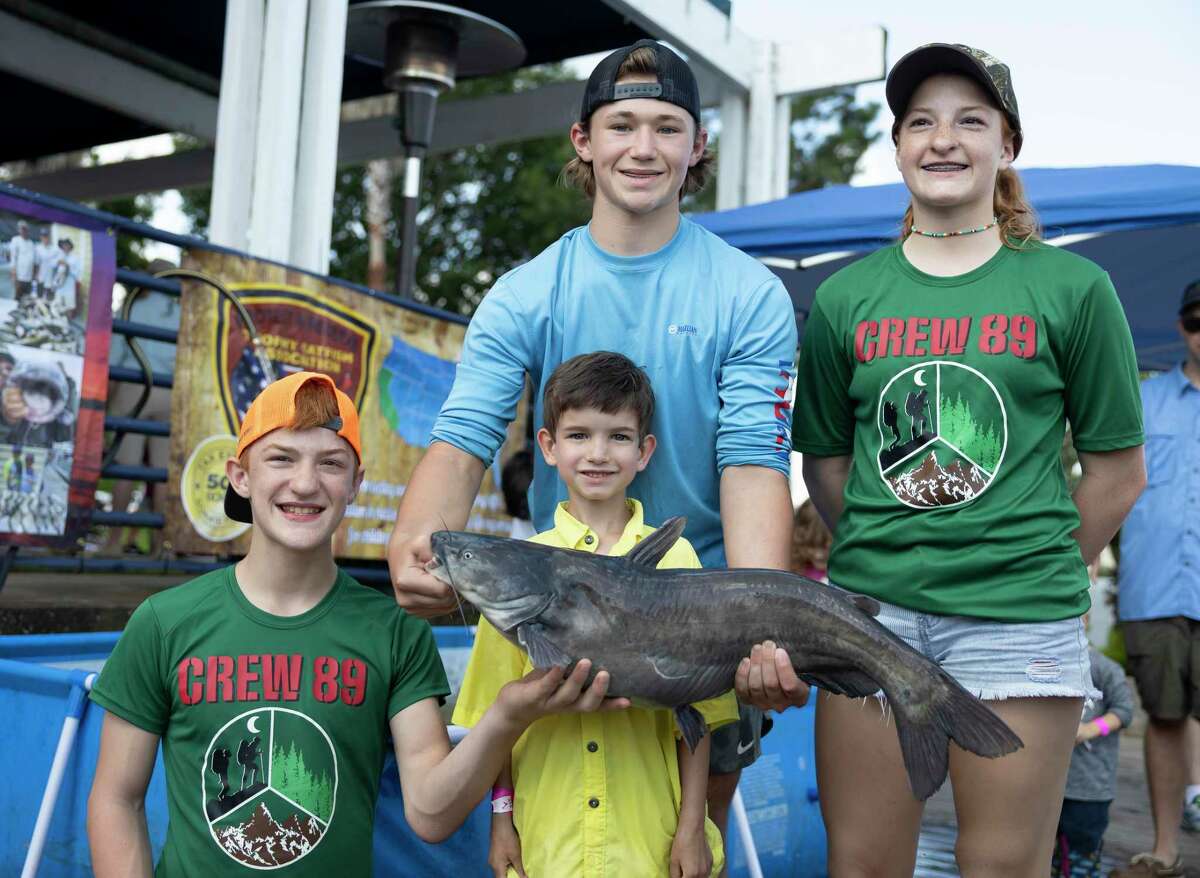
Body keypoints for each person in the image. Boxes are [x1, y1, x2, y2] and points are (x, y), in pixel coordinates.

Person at [387, 38, 803, 861]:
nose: (642, 148)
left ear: (696, 148)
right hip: (565, 612)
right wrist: (416, 543)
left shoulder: (750, 294)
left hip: (707, 615)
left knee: (685, 849)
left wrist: (767, 626)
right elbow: (466, 433)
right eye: (621, 125)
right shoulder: (525, 292)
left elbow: (755, 458)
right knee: (556, 844)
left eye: (666, 126)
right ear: (584, 141)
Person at [738, 43, 1147, 875]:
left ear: (1008, 143)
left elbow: (1118, 472)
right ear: (897, 147)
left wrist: (1031, 572)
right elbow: (825, 461)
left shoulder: (1074, 289)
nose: (943, 139)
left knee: (1001, 865)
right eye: (920, 122)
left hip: (1019, 623)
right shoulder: (849, 298)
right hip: (871, 620)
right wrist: (899, 549)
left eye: (970, 119)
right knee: (862, 863)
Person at [86, 371, 626, 876]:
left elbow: (431, 814)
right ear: (240, 477)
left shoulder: (394, 632)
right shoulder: (164, 623)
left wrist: (508, 715)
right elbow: (116, 798)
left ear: (356, 484)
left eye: (330, 463)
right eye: (280, 458)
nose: (304, 483)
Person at [454, 352, 738, 878]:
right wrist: (501, 821)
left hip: (647, 843)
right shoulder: (510, 573)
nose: (598, 453)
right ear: (549, 446)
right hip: (550, 844)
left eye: (619, 436)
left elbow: (702, 718)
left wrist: (692, 827)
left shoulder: (678, 559)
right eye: (580, 435)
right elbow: (493, 721)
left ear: (644, 451)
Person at [1112, 279, 1200, 876]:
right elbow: (1107, 480)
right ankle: (1166, 849)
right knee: (1164, 717)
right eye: (1197, 319)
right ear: (1180, 326)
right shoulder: (1142, 401)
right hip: (1157, 588)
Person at [1052, 641, 1135, 877]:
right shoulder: (1047, 664)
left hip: (1090, 789)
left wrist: (1090, 729)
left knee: (1082, 858)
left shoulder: (1105, 668)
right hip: (1046, 785)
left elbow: (1124, 711)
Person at [790, 498, 832, 582]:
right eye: (810, 546)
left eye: (825, 547)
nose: (818, 555)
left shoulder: (841, 575)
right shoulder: (797, 569)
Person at [8, 220, 35, 301]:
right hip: (19, 277)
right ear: (19, 230)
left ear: (27, 230)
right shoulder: (15, 240)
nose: (23, 231)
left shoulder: (31, 243)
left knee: (27, 299)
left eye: (25, 229)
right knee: (17, 299)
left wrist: (34, 275)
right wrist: (13, 275)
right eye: (21, 229)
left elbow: (33, 260)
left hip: (29, 278)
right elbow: (13, 258)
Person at [34, 227, 57, 299]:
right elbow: (36, 263)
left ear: (49, 237)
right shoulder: (38, 248)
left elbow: (57, 264)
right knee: (39, 297)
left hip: (51, 278)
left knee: (50, 298)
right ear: (41, 237)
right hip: (41, 277)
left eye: (46, 236)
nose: (45, 238)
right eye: (43, 236)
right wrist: (36, 275)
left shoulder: (54, 249)